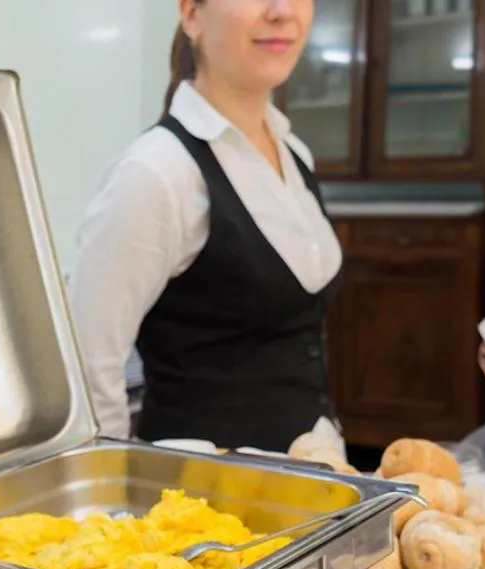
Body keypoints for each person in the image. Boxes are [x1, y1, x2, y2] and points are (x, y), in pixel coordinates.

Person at [70, 0, 341, 453]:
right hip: (202, 501)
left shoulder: (294, 153)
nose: (281, 11)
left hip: (312, 487)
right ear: (192, 14)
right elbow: (88, 366)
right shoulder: (157, 172)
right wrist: (113, 498)